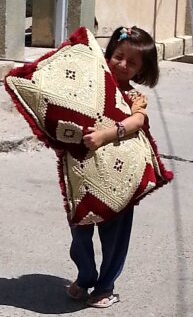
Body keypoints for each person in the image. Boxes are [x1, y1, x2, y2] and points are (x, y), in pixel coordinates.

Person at [65, 25, 160, 309]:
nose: (122, 65)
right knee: (80, 227)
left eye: (132, 63)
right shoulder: (91, 84)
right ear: (108, 53)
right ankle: (85, 276)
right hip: (82, 174)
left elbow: (138, 121)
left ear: (141, 70)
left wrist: (107, 134)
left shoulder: (134, 98)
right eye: (119, 56)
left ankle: (105, 286)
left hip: (120, 179)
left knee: (114, 235)